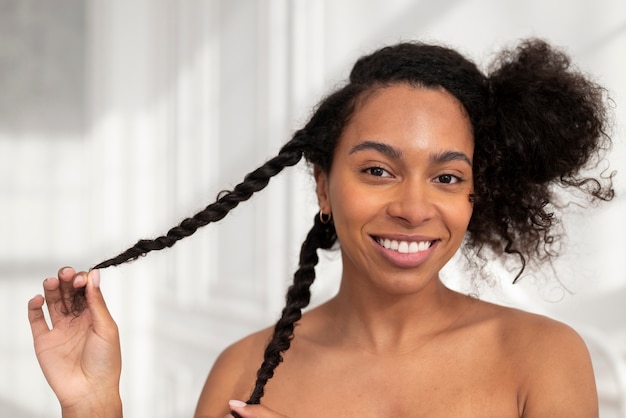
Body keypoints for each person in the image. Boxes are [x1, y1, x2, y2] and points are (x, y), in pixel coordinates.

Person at [28, 38, 614, 417]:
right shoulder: (241, 371)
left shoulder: (542, 357)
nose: (414, 208)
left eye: (447, 177)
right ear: (323, 186)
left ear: (474, 194)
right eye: (378, 170)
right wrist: (94, 405)